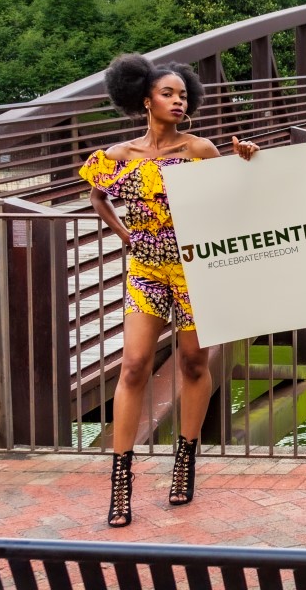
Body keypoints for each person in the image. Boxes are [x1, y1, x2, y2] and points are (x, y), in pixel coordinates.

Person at [80, 53, 259, 527]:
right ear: (145, 100)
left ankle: (184, 459)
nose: (178, 101)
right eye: (168, 94)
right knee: (135, 365)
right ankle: (121, 483)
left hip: (196, 272)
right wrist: (124, 235)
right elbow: (97, 194)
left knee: (194, 362)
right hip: (145, 272)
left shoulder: (200, 149)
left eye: (183, 95)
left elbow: (236, 198)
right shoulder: (119, 157)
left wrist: (246, 163)